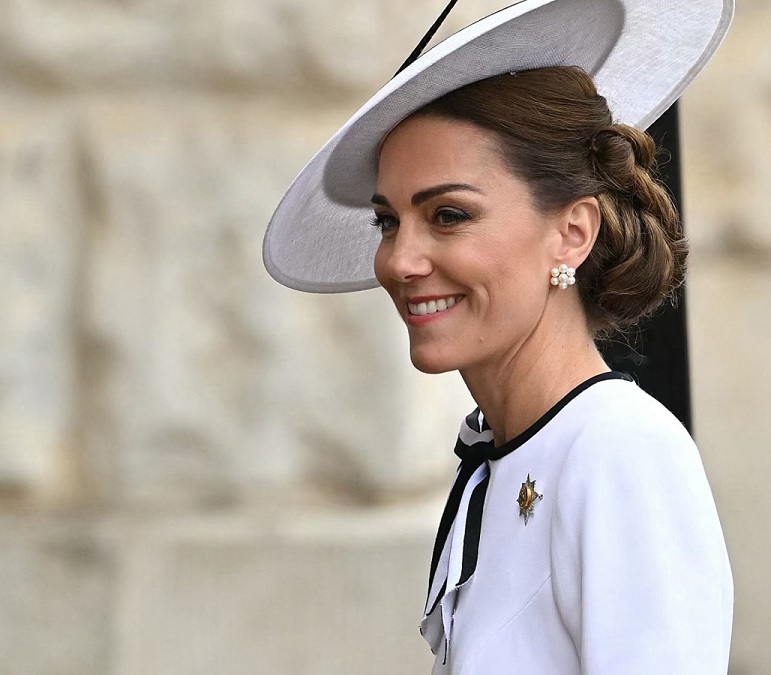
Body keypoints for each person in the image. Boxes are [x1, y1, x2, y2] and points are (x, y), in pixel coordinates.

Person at [263, 1, 735, 673]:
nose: (400, 260)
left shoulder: (619, 452)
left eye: (448, 215)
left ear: (571, 231)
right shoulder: (500, 459)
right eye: (388, 221)